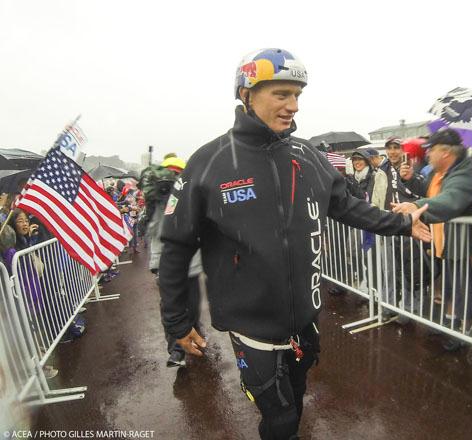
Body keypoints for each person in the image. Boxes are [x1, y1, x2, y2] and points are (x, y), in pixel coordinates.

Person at [157, 47, 431, 440]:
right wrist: (176, 323)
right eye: (281, 94)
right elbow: (175, 248)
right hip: (251, 325)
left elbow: (348, 207)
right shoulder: (209, 161)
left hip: (305, 318)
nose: (293, 106)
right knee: (280, 416)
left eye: (298, 95)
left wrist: (402, 224)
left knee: (297, 398)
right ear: (247, 95)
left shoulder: (306, 155)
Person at [394, 128, 472, 350]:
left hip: (469, 248)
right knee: (453, 290)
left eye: (432, 150)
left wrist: (416, 206)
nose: (427, 155)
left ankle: (467, 334)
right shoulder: (439, 174)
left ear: (446, 153)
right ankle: (455, 326)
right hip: (448, 245)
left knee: (467, 293)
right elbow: (430, 192)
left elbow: (450, 201)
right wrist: (410, 180)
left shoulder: (466, 175)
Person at [148, 156, 203, 368]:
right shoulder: (157, 204)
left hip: (192, 269)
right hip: (168, 270)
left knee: (193, 309)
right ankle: (176, 352)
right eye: (169, 173)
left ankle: (194, 334)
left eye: (176, 173)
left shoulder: (191, 199)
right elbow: (154, 236)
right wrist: (155, 265)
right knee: (171, 310)